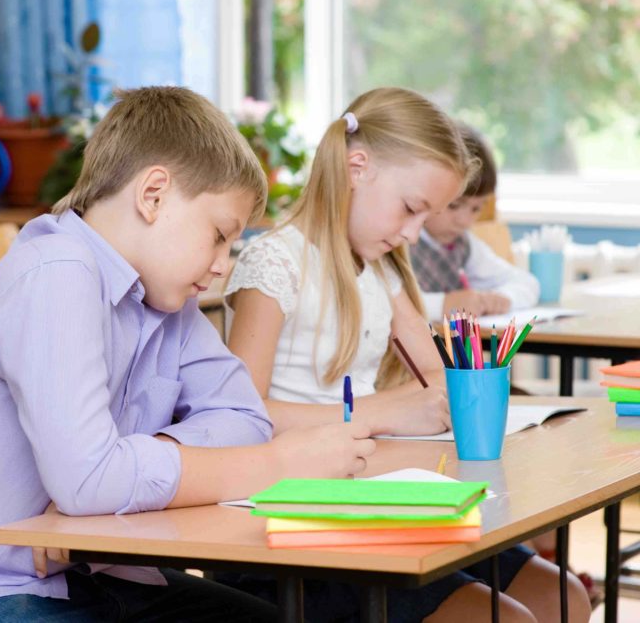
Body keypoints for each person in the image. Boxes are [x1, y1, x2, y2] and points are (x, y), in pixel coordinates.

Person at [0, 86, 376, 623]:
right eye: (219, 236)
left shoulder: (168, 302)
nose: (224, 264)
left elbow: (245, 415)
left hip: (96, 574)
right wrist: (275, 466)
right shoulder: (55, 272)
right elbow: (89, 481)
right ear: (153, 194)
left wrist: (124, 463)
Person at [222, 88, 590, 622]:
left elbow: (440, 380)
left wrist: (452, 396)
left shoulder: (383, 271)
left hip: (371, 497)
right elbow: (238, 415)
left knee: (563, 597)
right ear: (357, 167)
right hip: (289, 523)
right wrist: (381, 412)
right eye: (412, 209)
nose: (414, 234)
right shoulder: (274, 264)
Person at [410, 122, 540, 321]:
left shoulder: (464, 244)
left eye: (476, 208)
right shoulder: (398, 240)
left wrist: (504, 298)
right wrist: (444, 305)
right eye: (454, 205)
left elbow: (526, 282)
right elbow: (385, 305)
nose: (464, 221)